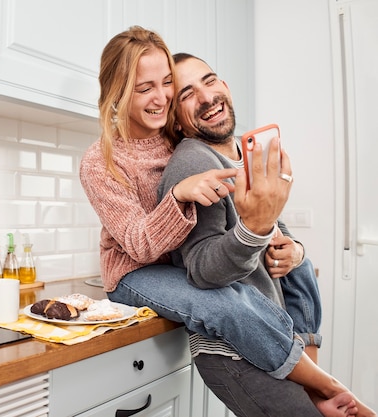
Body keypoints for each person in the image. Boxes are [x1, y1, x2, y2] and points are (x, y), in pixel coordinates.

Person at [79, 26, 361, 417]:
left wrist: (288, 245)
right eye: (145, 88)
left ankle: (309, 370)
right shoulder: (100, 162)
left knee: (273, 278)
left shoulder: (175, 141)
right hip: (134, 273)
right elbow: (138, 244)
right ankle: (320, 382)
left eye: (166, 85)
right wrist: (179, 195)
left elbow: (250, 216)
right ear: (117, 92)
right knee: (222, 304)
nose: (160, 98)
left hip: (176, 268)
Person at [158, 51, 375, 417]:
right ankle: (319, 382)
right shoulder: (194, 161)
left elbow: (271, 225)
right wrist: (255, 229)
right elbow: (202, 271)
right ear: (177, 121)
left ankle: (314, 380)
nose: (207, 97)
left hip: (271, 340)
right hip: (235, 350)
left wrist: (295, 251)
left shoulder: (240, 155)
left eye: (209, 81)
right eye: (187, 94)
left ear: (224, 85)